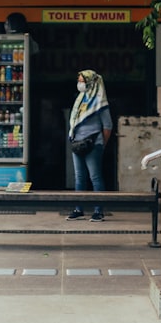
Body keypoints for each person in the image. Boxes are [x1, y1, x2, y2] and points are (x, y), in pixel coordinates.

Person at [66, 69, 112, 222]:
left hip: (93, 144)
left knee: (95, 177)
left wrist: (101, 145)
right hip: (77, 143)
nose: (79, 84)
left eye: (82, 81)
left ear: (90, 83)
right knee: (79, 177)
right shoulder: (80, 99)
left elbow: (108, 126)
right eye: (79, 80)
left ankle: (98, 211)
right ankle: (78, 209)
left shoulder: (100, 103)